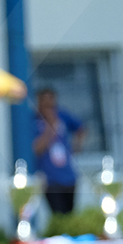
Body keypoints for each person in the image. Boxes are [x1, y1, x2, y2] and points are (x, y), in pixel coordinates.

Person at [32, 87, 86, 215]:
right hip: (50, 179)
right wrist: (50, 127)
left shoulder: (63, 116)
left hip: (69, 176)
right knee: (58, 214)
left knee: (70, 214)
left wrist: (76, 147)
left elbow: (81, 128)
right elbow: (36, 149)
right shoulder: (33, 121)